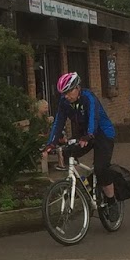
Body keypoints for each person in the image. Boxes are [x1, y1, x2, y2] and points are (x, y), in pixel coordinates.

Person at [45, 72, 116, 200]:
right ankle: (84, 186)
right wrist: (51, 143)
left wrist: (89, 135)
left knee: (101, 168)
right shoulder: (64, 102)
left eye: (68, 92)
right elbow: (58, 122)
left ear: (77, 88)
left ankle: (111, 200)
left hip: (102, 133)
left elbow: (93, 117)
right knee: (67, 153)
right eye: (63, 93)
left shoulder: (88, 97)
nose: (66, 96)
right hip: (84, 135)